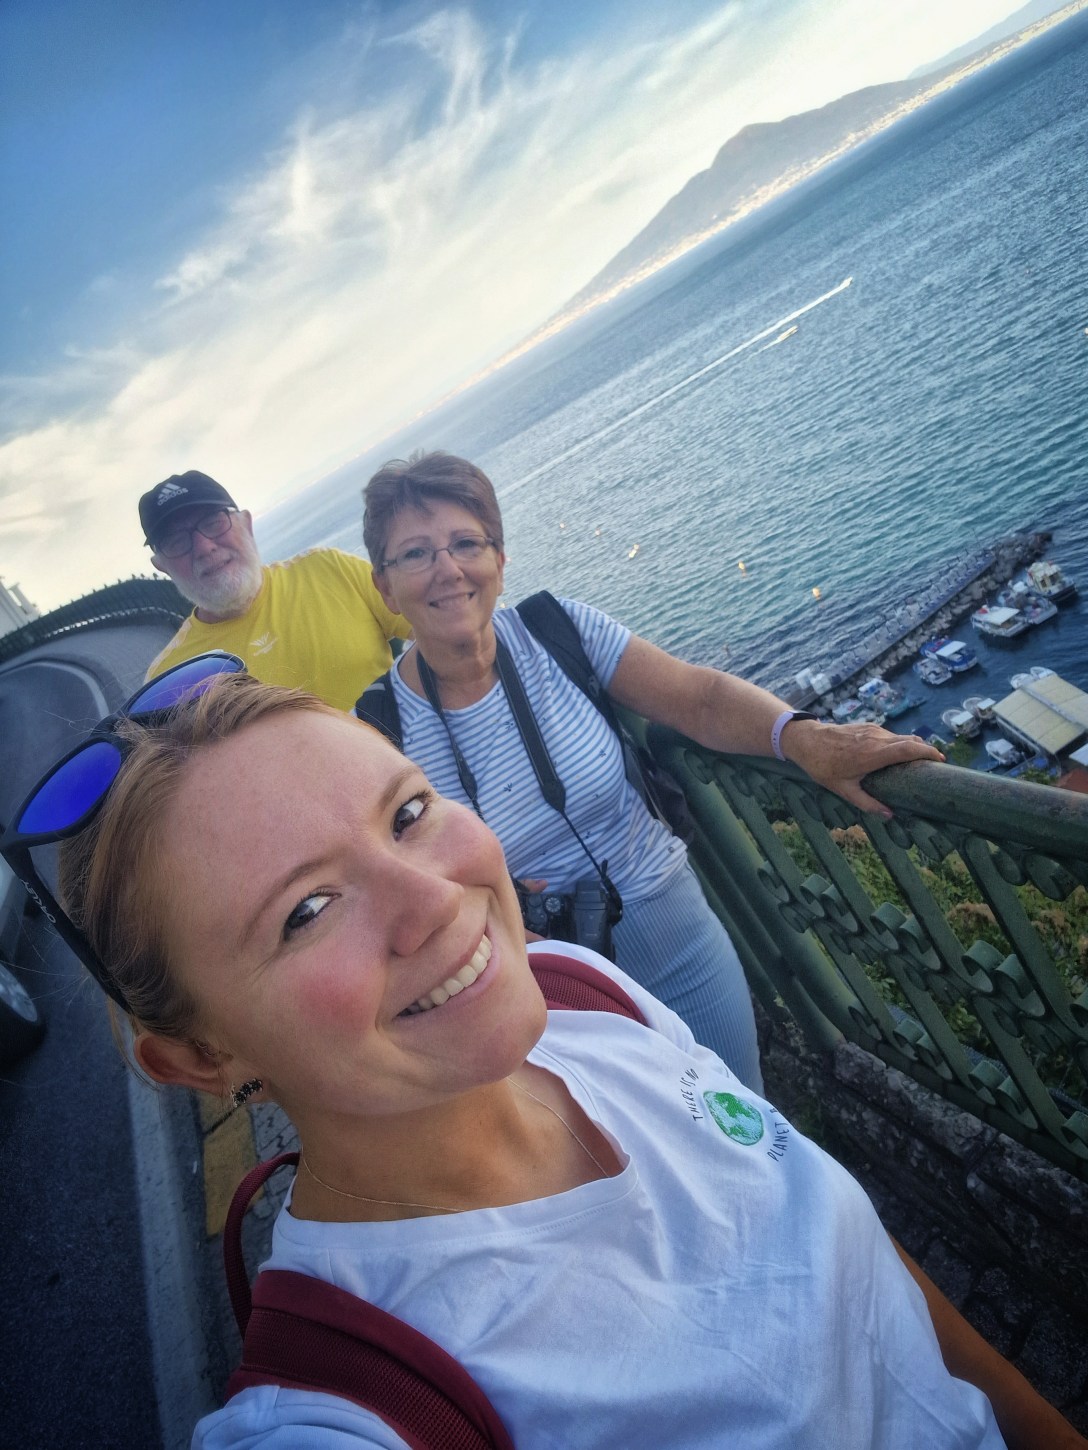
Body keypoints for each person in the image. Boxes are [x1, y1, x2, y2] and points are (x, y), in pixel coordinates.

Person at [4, 663, 1081, 1448]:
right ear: (198, 1057)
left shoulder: (578, 990)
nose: (437, 899)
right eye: (307, 910)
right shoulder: (360, 1403)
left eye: (407, 812)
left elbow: (857, 1260)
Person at [360, 452, 944, 1092]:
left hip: (674, 937)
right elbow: (393, 885)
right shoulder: (379, 732)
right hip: (543, 994)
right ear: (385, 587)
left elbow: (700, 699)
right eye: (415, 554)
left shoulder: (556, 631)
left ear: (499, 559)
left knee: (742, 1113)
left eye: (466, 543)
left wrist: (807, 739)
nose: (446, 568)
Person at [141, 470, 411, 709]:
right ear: (161, 566)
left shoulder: (331, 569)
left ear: (246, 524)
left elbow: (431, 632)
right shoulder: (167, 679)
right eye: (176, 541)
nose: (204, 547)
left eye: (213, 523)